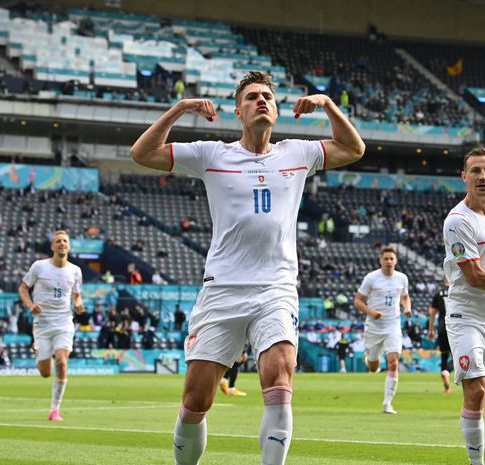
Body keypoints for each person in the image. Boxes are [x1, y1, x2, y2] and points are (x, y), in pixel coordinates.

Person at [130, 70, 365, 465]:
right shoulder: (212, 155)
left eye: (267, 97)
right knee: (196, 398)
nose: (261, 101)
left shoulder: (297, 153)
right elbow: (142, 153)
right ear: (238, 111)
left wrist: (327, 105)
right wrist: (181, 108)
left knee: (279, 377)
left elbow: (353, 148)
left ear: (275, 109)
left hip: (275, 287)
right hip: (223, 289)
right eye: (252, 97)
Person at [442, 146, 485, 465]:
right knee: (477, 390)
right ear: (464, 177)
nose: (482, 177)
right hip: (466, 314)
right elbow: (474, 276)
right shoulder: (458, 220)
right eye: (476, 171)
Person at [19, 230, 84, 422]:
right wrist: (30, 305)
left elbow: (76, 294)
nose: (62, 244)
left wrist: (78, 304)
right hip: (43, 323)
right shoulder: (39, 267)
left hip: (64, 322)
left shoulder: (75, 271)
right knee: (46, 373)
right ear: (52, 246)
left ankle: (54, 410)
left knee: (62, 363)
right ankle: (39, 350)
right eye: (58, 241)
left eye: (65, 241)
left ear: (69, 246)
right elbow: (22, 288)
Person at [354, 246, 411, 414]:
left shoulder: (402, 278)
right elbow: (358, 301)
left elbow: (405, 297)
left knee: (393, 362)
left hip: (393, 325)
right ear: (380, 260)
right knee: (373, 366)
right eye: (385, 259)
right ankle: (370, 359)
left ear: (396, 260)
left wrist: (407, 308)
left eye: (391, 259)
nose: (389, 262)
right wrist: (372, 313)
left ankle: (387, 403)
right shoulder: (371, 278)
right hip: (373, 327)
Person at [428, 278, 452, 393]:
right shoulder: (457, 290)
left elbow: (432, 313)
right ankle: (447, 371)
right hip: (456, 327)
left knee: (444, 355)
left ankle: (446, 387)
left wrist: (431, 330)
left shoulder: (438, 294)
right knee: (460, 356)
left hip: (442, 328)